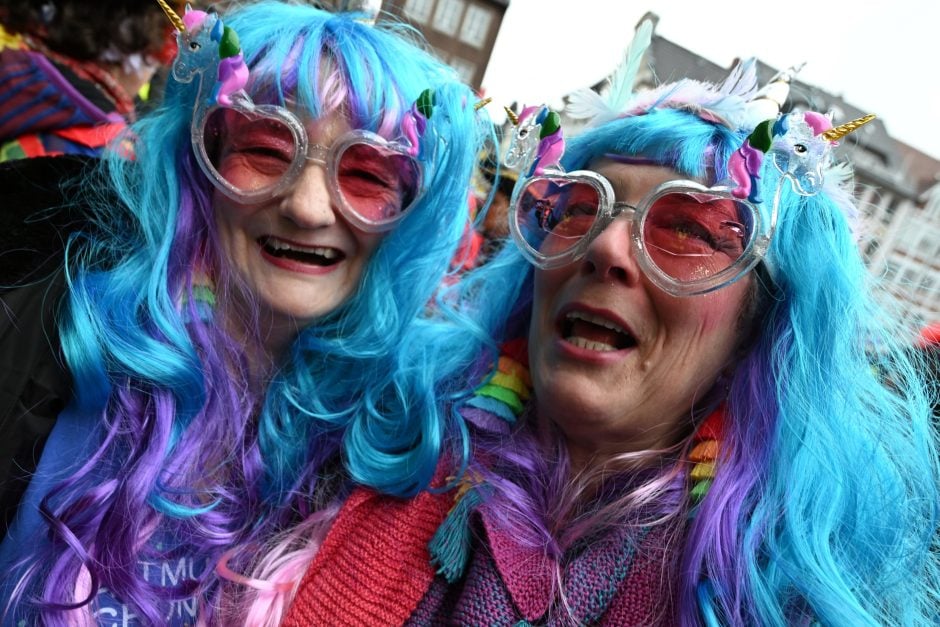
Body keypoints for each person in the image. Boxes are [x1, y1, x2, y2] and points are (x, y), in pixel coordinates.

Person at [278, 23, 940, 625]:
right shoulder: (363, 435)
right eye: (576, 207)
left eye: (688, 226)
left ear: (759, 321)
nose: (604, 246)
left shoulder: (788, 593)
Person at [0, 0, 490, 623]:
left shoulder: (403, 436)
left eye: (367, 174)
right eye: (265, 150)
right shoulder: (48, 339)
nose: (308, 208)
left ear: (412, 214)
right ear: (199, 165)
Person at [0, 0, 181, 161]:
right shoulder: (109, 156)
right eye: (161, 45)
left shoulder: (15, 77)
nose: (156, 67)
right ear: (129, 37)